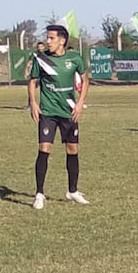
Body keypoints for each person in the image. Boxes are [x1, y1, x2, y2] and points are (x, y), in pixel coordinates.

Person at [28, 25, 90, 210]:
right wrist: (33, 102)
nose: (48, 41)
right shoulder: (41, 58)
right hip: (48, 112)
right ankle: (39, 194)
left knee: (72, 150)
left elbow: (85, 80)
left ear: (62, 40)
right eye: (47, 38)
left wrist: (80, 103)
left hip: (69, 111)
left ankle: (72, 190)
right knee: (44, 149)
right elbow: (32, 82)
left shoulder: (75, 58)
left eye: (51, 38)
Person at [24, 41, 46, 109]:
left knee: (45, 90)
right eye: (38, 47)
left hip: (44, 75)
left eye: (41, 47)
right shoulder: (34, 54)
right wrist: (26, 71)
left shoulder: (46, 54)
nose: (40, 48)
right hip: (35, 74)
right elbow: (29, 63)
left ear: (44, 47)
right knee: (32, 89)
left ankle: (44, 106)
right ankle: (30, 105)